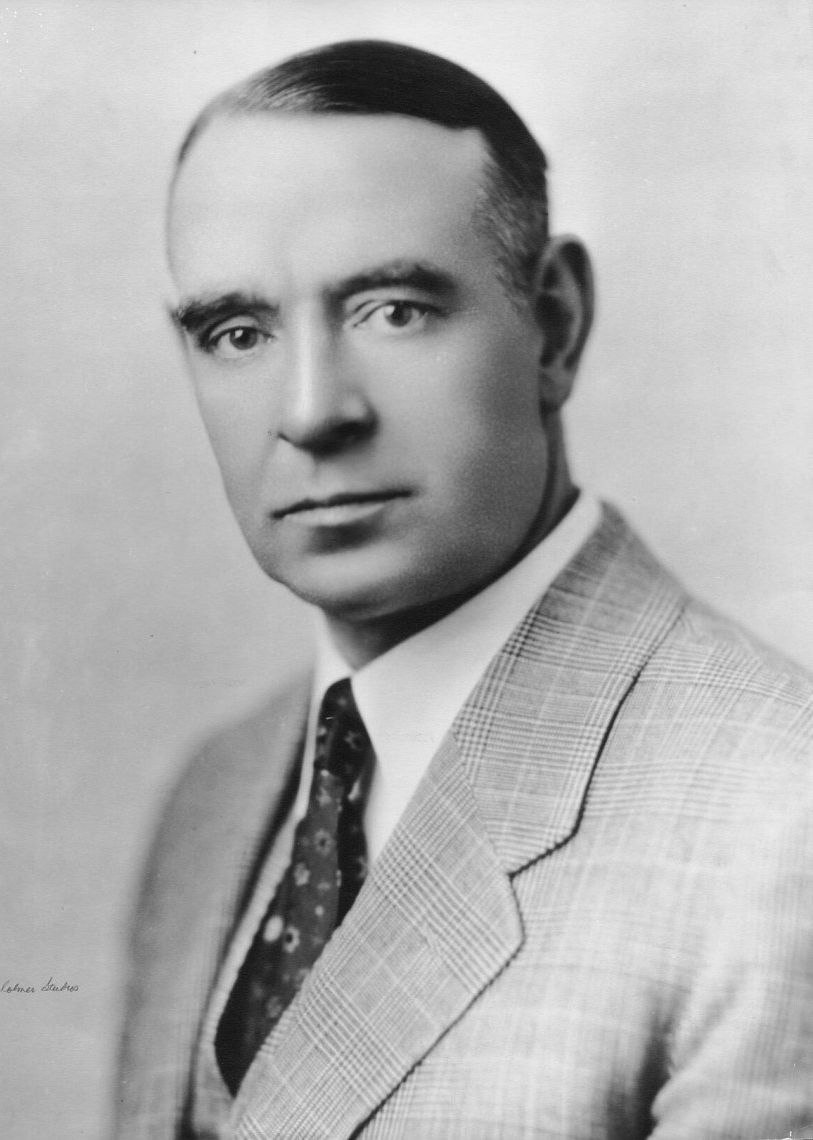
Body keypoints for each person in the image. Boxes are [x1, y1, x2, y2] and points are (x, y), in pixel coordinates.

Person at [114, 40, 813, 1140]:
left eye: (392, 309)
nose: (311, 411)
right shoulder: (216, 798)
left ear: (555, 325)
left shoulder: (775, 818)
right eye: (237, 333)